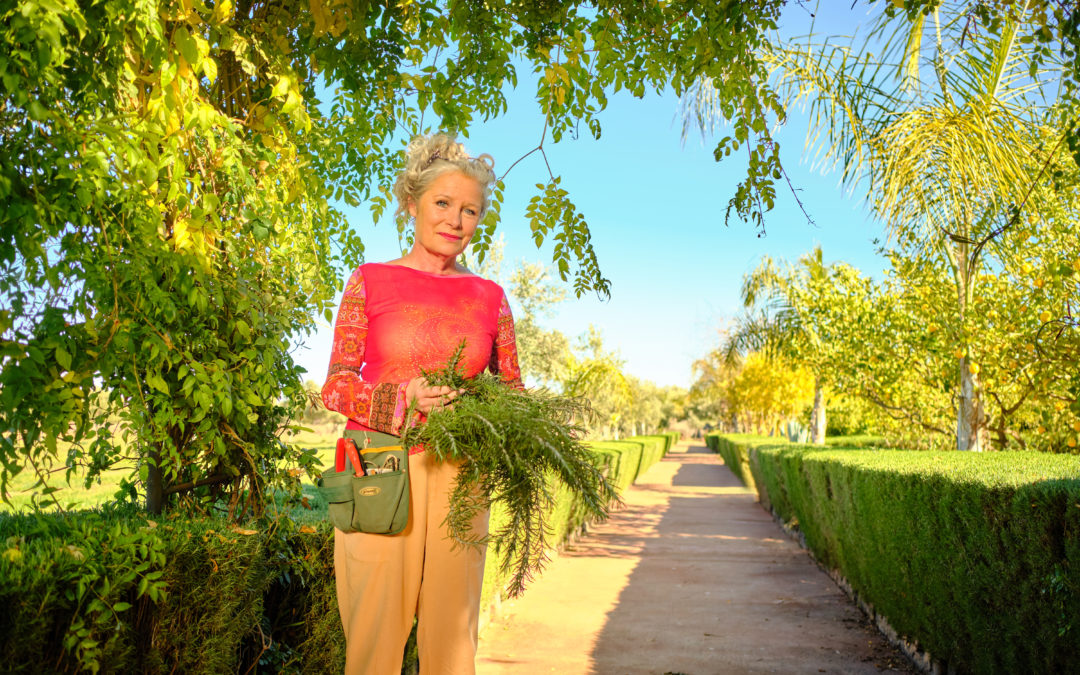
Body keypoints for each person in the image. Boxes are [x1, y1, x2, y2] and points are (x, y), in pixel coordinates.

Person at [321, 133, 523, 675]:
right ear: (411, 202)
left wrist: (483, 412)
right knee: (373, 645)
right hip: (380, 472)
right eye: (443, 204)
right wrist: (401, 401)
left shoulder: (491, 298)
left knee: (454, 652)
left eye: (470, 211)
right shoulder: (369, 282)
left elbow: (513, 395)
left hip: (463, 480)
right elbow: (336, 385)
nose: (456, 221)